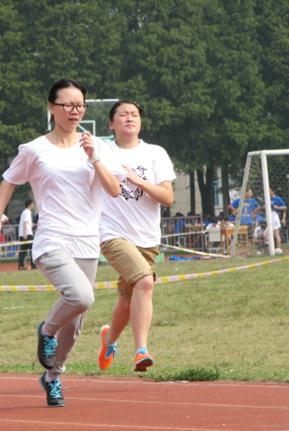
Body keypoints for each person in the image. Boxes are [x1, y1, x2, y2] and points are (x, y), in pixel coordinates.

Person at [0, 78, 126, 407]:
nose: (74, 111)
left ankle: (53, 376)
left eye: (80, 106)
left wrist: (94, 158)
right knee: (81, 296)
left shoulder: (97, 146)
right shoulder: (35, 149)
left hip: (87, 242)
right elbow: (9, 179)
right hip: (52, 238)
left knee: (76, 323)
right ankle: (46, 331)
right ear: (51, 107)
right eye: (67, 105)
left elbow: (115, 190)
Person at [97, 100, 175, 374]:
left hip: (148, 239)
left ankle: (109, 340)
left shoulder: (155, 153)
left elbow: (167, 197)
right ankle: (141, 350)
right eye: (123, 115)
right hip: (112, 234)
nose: (130, 118)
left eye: (134, 115)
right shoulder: (102, 152)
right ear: (111, 124)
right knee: (145, 281)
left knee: (128, 299)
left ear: (140, 122)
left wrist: (139, 181)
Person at [18, 199, 37, 270]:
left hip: (24, 233)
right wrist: (25, 234)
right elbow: (25, 222)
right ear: (30, 205)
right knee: (32, 249)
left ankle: (21, 265)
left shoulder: (25, 212)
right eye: (32, 204)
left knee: (23, 250)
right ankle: (33, 265)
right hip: (27, 234)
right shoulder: (27, 212)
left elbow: (27, 223)